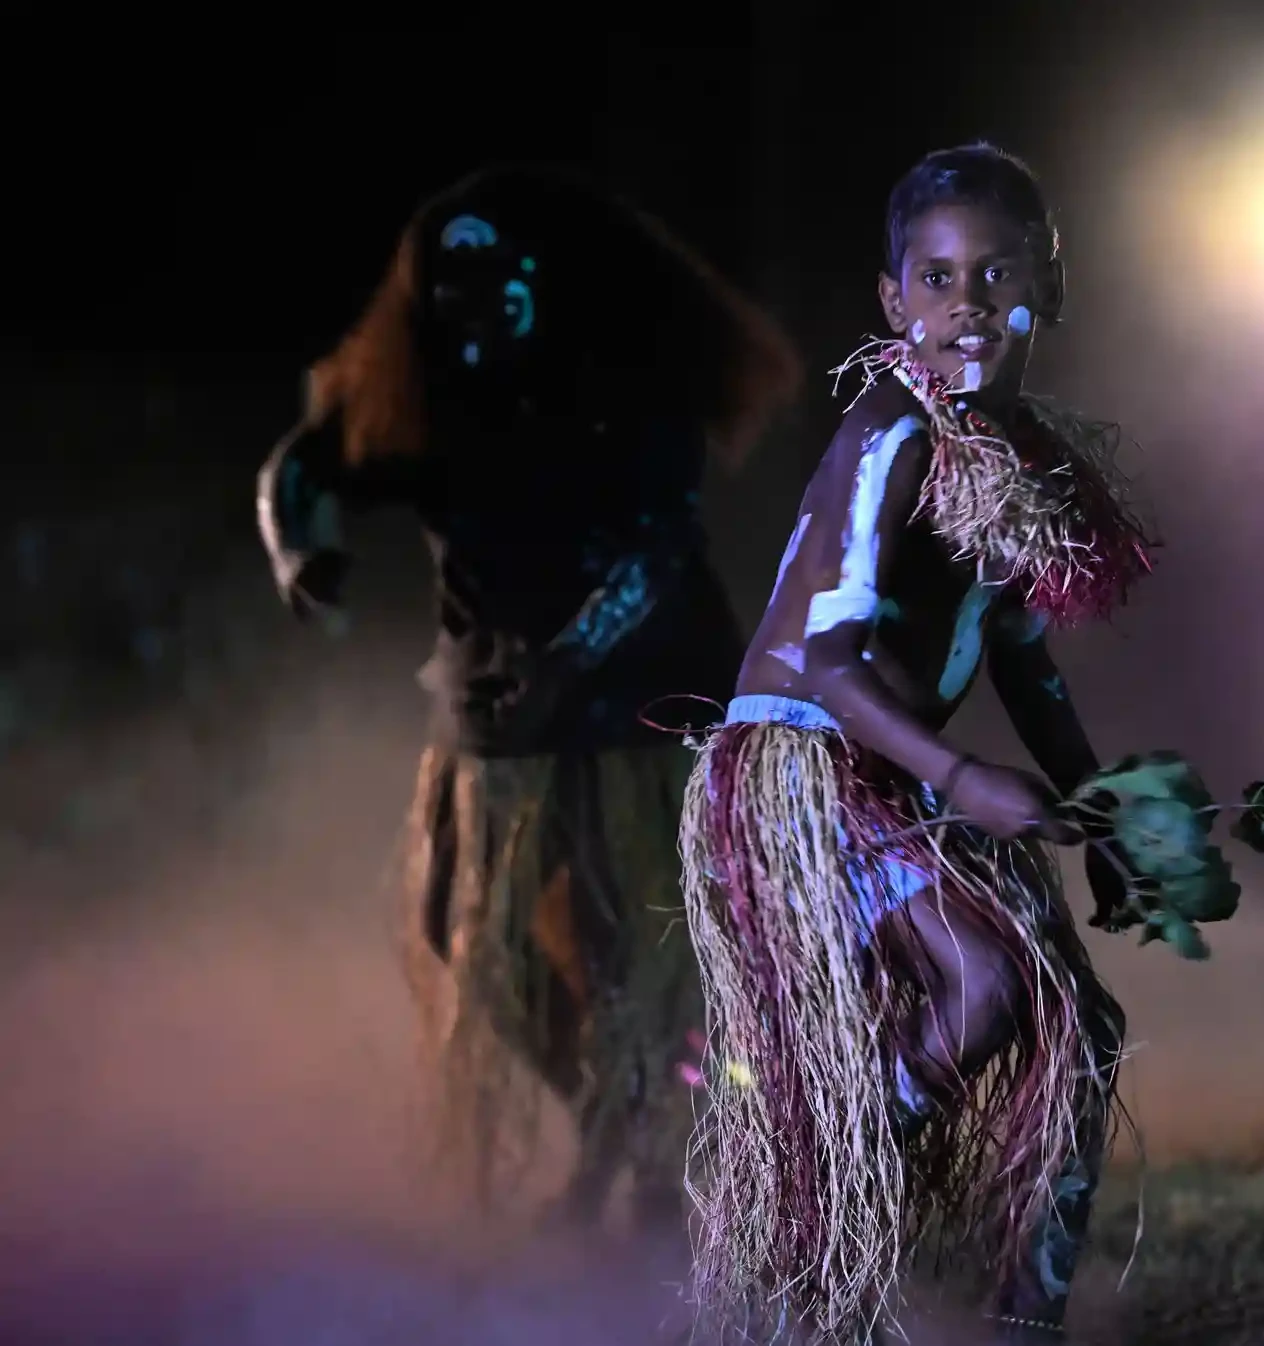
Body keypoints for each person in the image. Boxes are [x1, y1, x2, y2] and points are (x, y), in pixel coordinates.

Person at [254, 164, 799, 1233]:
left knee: (650, 941)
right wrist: (296, 551)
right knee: (479, 945)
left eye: (497, 281)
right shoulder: (424, 392)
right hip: (499, 723)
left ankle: (660, 1169)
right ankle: (614, 1124)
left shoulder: (632, 385)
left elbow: (656, 552)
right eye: (446, 289)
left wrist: (565, 658)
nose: (470, 308)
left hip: (644, 703)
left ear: (550, 283)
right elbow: (303, 467)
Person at [677, 143, 1154, 1344]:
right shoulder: (891, 428)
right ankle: (809, 1185)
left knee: (1082, 1029)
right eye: (937, 281)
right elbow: (830, 665)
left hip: (886, 774)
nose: (968, 308)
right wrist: (960, 775)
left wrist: (1103, 819)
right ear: (893, 303)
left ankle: (1023, 1316)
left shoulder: (1023, 459)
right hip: (799, 766)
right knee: (986, 980)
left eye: (997, 275)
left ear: (1053, 279)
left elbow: (1025, 663)